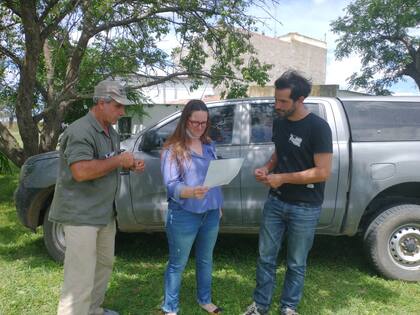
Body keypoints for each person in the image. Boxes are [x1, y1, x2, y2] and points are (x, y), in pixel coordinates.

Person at [49, 79, 145, 315]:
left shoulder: (109, 132)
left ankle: (92, 310)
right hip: (81, 215)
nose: (122, 111)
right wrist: (118, 160)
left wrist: (128, 163)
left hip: (103, 213)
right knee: (79, 277)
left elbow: (107, 160)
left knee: (103, 265)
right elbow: (80, 171)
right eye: (118, 106)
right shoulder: (80, 130)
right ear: (101, 103)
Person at [243, 71, 333, 315]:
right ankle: (260, 306)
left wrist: (281, 178)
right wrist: (267, 168)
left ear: (300, 99)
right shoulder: (280, 122)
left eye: (283, 101)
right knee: (265, 257)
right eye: (276, 99)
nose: (277, 105)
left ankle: (288, 307)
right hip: (275, 203)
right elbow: (277, 153)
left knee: (296, 262)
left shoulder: (319, 127)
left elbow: (322, 172)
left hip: (305, 207)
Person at [160, 99, 223, 315]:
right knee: (178, 263)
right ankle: (170, 307)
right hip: (184, 214)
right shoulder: (173, 149)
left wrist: (217, 205)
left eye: (203, 123)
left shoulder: (209, 145)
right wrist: (190, 191)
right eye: (195, 122)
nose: (199, 127)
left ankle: (205, 299)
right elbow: (171, 186)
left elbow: (214, 179)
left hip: (211, 213)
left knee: (206, 259)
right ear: (185, 119)